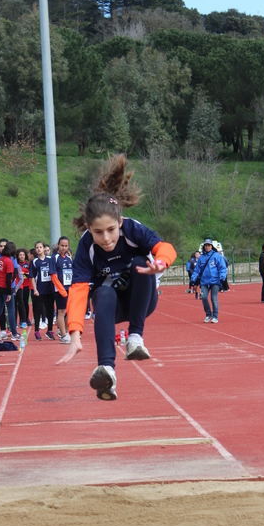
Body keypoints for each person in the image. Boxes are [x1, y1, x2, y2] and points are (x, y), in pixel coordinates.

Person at [57, 155, 176, 401]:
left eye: (111, 230)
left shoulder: (132, 230)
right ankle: (107, 371)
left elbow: (165, 247)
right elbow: (78, 291)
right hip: (110, 307)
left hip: (141, 301)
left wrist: (161, 263)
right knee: (101, 292)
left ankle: (135, 337)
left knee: (140, 262)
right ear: (88, 228)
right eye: (98, 232)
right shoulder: (86, 247)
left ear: (120, 223)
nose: (107, 238)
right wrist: (74, 336)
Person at [190, 238, 227, 323]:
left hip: (215, 281)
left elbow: (222, 267)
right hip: (204, 281)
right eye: (206, 245)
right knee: (204, 297)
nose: (207, 247)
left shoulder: (217, 256)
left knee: (213, 298)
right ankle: (208, 314)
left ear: (211, 246)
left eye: (209, 245)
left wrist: (222, 277)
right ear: (204, 247)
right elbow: (197, 270)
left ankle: (215, 316)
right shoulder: (201, 258)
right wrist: (193, 279)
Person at [30, 240, 56, 341]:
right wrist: (35, 290)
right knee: (38, 311)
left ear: (44, 248)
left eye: (40, 247)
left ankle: (49, 330)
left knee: (50, 311)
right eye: (37, 248)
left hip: (50, 289)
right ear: (35, 250)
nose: (39, 249)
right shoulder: (35, 262)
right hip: (40, 290)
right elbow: (32, 277)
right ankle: (36, 331)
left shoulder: (50, 259)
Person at [49, 236, 73, 344]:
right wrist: (61, 290)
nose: (64, 248)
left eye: (66, 246)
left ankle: (67, 332)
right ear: (58, 245)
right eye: (62, 245)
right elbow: (53, 275)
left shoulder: (68, 258)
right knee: (61, 311)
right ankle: (63, 335)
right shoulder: (54, 258)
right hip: (60, 289)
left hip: (69, 288)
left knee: (69, 311)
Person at [16, 248, 31, 327]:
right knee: (19, 303)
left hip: (26, 285)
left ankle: (26, 318)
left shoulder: (28, 264)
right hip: (19, 285)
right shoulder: (16, 264)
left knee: (25, 302)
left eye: (23, 255)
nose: (21, 256)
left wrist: (24, 272)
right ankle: (21, 319)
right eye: (20, 255)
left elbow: (31, 273)